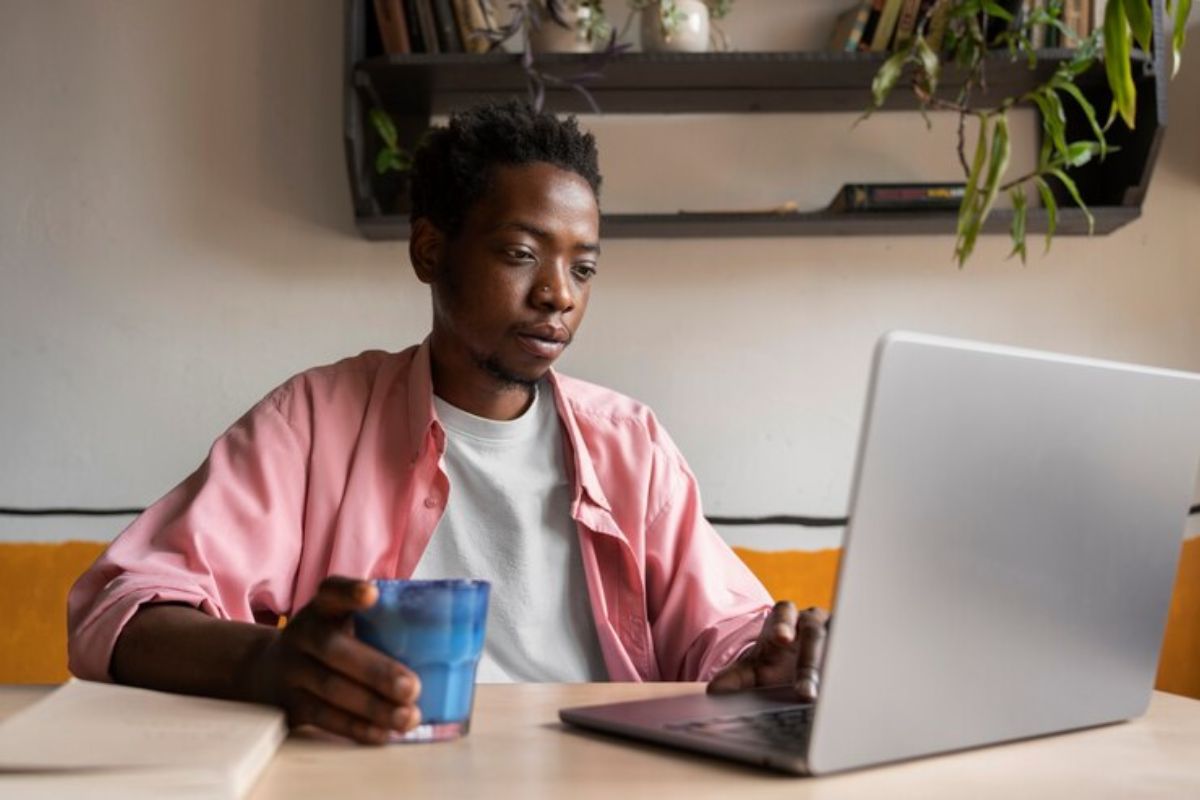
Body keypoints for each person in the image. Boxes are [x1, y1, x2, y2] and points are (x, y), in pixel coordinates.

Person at [67, 101, 829, 745]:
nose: (557, 295)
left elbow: (723, 630)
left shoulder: (630, 444)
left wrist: (770, 658)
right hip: (386, 775)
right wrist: (266, 665)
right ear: (431, 250)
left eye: (583, 267)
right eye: (521, 253)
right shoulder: (316, 421)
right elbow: (122, 609)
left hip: (603, 775)